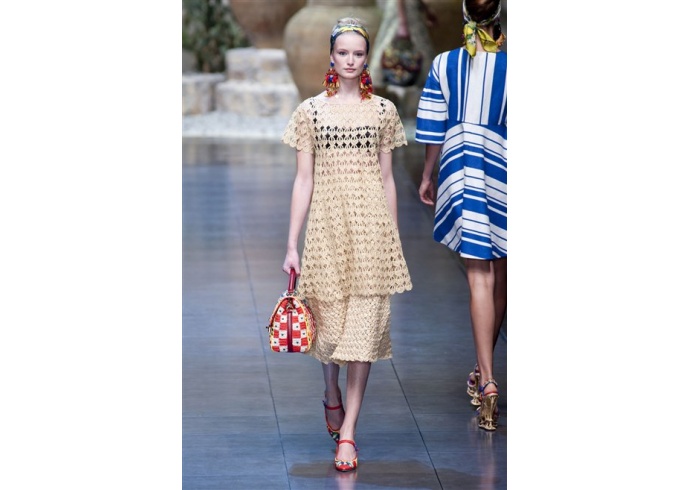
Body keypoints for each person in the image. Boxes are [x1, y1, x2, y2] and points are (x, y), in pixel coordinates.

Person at [281, 17, 413, 471]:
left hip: (372, 232)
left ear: (367, 57)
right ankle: (330, 392)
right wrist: (292, 244)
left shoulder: (383, 112)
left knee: (363, 335)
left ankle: (350, 433)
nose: (351, 61)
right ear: (331, 56)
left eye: (358, 53)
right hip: (326, 232)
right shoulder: (311, 112)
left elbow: (387, 178)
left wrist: (393, 238)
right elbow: (303, 180)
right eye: (343, 53)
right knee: (331, 328)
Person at [414, 0, 506, 431]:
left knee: (479, 276)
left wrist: (427, 175)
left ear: (465, 16)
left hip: (462, 166)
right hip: (505, 166)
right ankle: (482, 371)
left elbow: (433, 126)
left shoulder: (444, 64)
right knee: (502, 272)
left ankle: (486, 379)